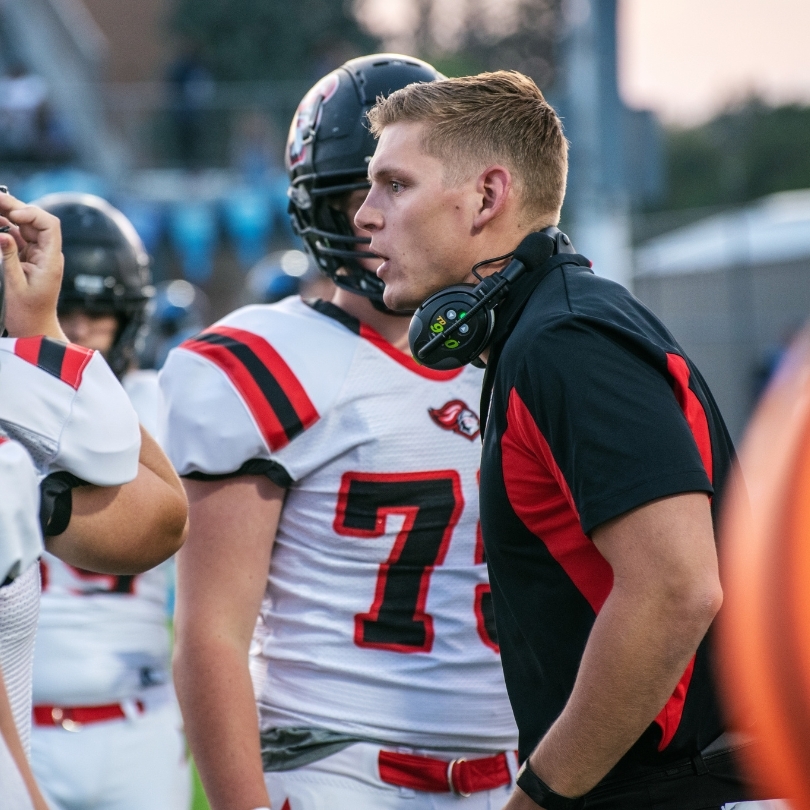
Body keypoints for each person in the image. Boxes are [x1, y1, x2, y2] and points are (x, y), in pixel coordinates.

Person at [354, 71, 776, 809]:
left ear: (487, 196)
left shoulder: (566, 340)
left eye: (395, 185)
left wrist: (539, 797)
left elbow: (678, 589)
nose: (365, 215)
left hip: (685, 786)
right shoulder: (544, 330)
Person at [160, 54, 519, 810]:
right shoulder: (269, 361)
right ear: (320, 210)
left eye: (400, 188)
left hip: (515, 770)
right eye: (360, 192)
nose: (376, 217)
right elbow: (210, 635)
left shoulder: (522, 350)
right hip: (338, 767)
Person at [0, 188, 188, 807]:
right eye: (64, 308)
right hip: (34, 709)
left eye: (94, 312)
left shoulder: (156, 401)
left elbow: (166, 528)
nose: (77, 326)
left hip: (133, 711)